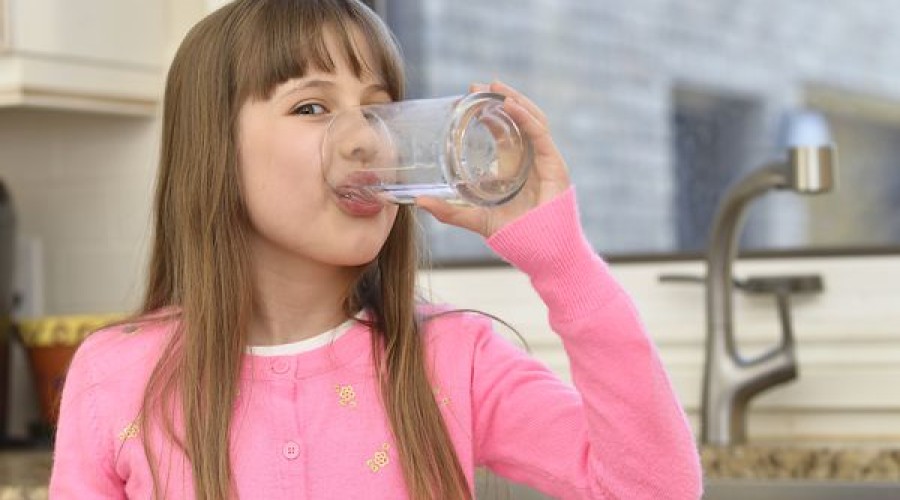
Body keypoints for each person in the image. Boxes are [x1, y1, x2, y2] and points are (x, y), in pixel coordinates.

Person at [49, 0, 702, 498]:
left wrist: (561, 261)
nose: (364, 140)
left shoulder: (452, 359)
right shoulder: (117, 377)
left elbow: (654, 488)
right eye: (311, 108)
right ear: (213, 153)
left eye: (379, 107)